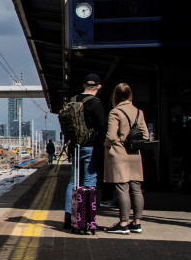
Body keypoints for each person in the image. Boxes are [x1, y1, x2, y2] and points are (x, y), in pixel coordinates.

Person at [104, 82, 150, 234]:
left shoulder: (115, 112)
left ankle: (123, 223)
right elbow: (146, 135)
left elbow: (111, 136)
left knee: (122, 188)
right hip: (135, 154)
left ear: (115, 95)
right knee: (136, 189)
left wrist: (110, 144)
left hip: (120, 154)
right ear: (130, 94)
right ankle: (136, 223)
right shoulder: (139, 112)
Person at [63, 73, 108, 229]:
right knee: (89, 182)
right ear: (99, 87)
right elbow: (103, 127)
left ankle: (69, 218)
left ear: (83, 85)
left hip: (75, 146)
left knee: (73, 182)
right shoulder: (96, 103)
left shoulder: (73, 101)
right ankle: (86, 219)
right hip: (91, 147)